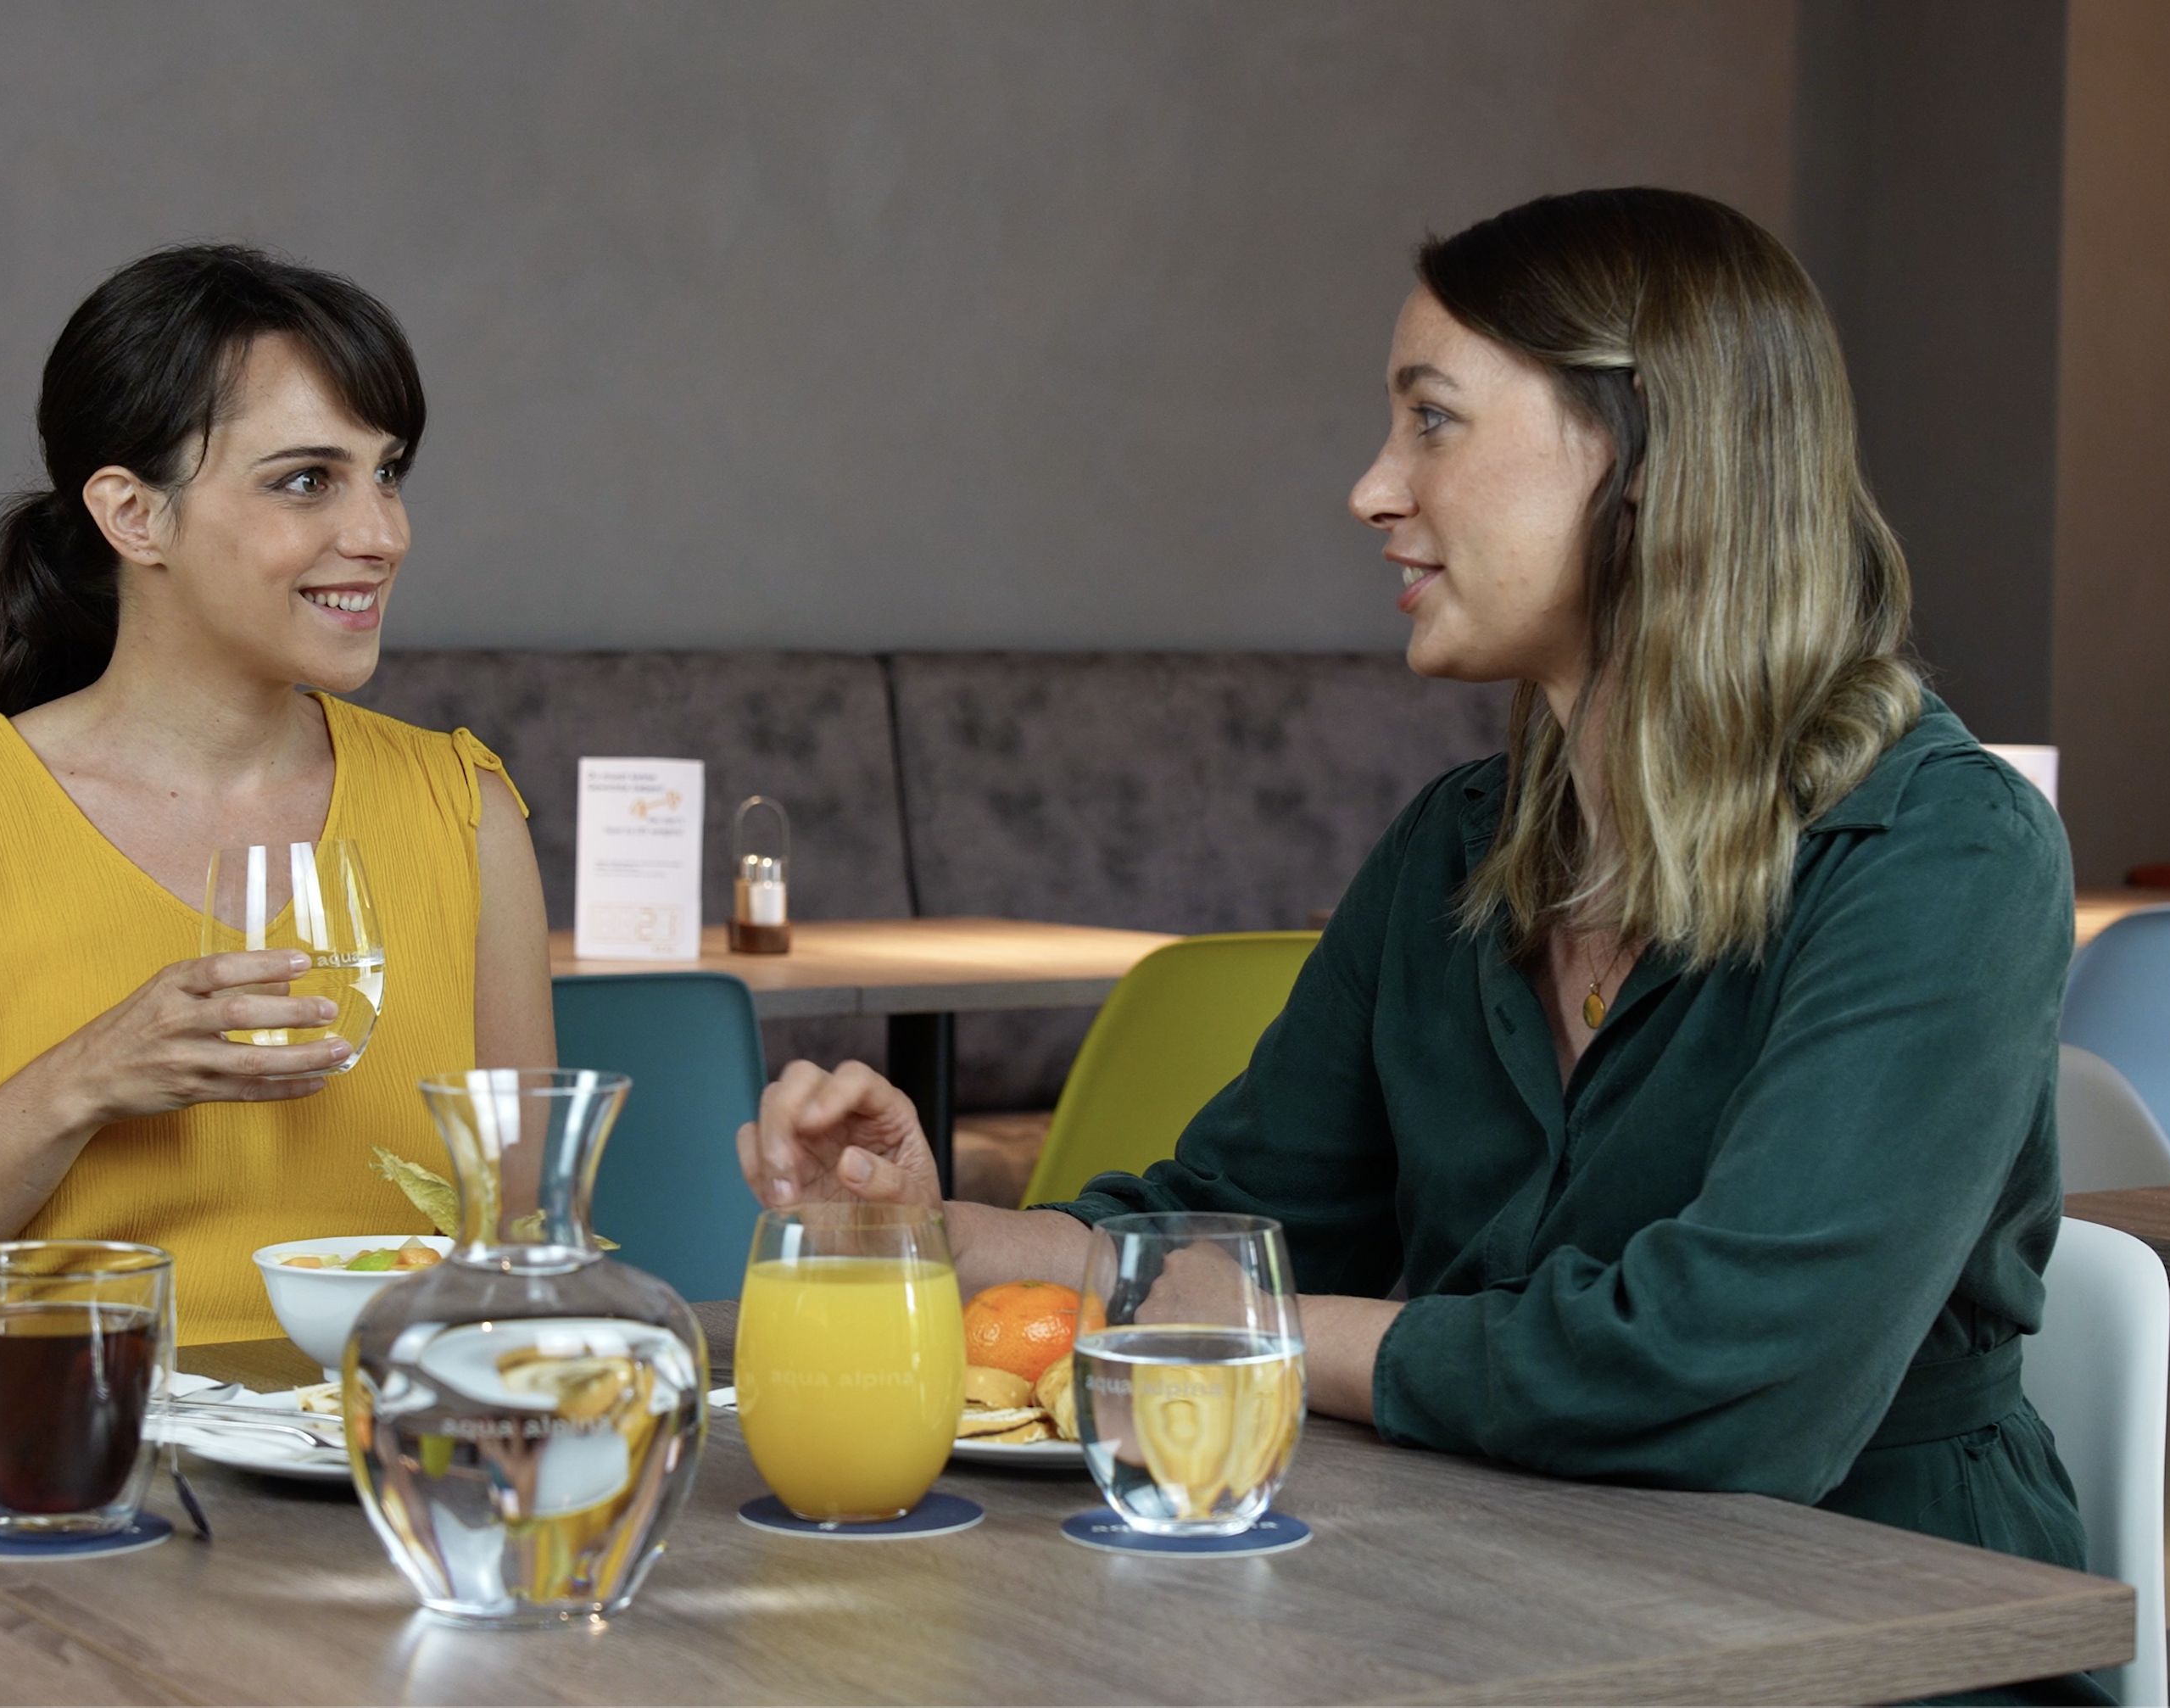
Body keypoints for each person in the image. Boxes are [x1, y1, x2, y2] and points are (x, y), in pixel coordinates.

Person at [740, 189, 2092, 1673]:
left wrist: (1265, 1336)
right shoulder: (1457, 848)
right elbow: (1226, 1225)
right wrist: (922, 1231)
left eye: (1433, 422)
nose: (1373, 489)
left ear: (1651, 460)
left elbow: (1737, 1379)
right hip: (1500, 1596)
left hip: (1880, 1630)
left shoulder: (1940, 854)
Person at [0, 245, 552, 1365]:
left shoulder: (465, 812)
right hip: (70, 1474)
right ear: (134, 515)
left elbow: (518, 1246)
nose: (382, 533)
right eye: (307, 478)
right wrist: (83, 1083)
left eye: (388, 472)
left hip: (387, 1473)